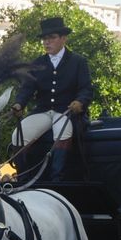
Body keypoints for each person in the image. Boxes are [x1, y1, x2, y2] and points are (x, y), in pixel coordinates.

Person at [10, 16, 94, 183]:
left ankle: (57, 178)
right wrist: (19, 103)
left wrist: (80, 102)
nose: (47, 42)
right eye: (44, 39)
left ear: (63, 39)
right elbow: (27, 88)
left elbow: (86, 89)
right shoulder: (38, 63)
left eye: (51, 38)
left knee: (62, 132)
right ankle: (23, 177)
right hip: (43, 111)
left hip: (66, 111)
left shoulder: (78, 61)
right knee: (18, 136)